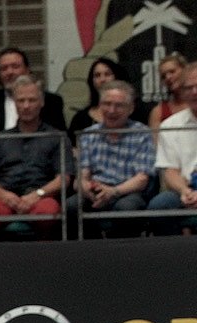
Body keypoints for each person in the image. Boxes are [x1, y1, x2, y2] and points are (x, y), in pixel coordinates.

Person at [0, 76, 66, 237]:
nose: (26, 106)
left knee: (48, 215)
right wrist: (4, 195)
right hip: (5, 196)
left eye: (32, 100)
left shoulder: (57, 138)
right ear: (14, 103)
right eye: (21, 101)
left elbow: (64, 178)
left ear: (42, 102)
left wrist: (38, 194)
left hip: (41, 196)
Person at [67, 81, 154, 239]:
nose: (111, 110)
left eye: (118, 105)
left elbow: (142, 179)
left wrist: (113, 192)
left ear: (130, 109)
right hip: (96, 191)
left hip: (127, 192)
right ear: (100, 106)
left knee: (126, 208)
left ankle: (122, 253)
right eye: (107, 104)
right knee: (72, 206)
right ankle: (88, 249)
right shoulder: (89, 134)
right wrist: (86, 187)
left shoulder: (142, 133)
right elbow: (81, 177)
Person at [0, 47, 67, 155]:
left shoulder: (51, 102)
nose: (9, 72)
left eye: (15, 67)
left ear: (27, 70)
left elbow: (60, 140)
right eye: (4, 68)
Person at [147, 64, 197, 235]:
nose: (194, 92)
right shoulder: (170, 125)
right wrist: (184, 191)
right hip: (185, 187)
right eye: (188, 88)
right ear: (181, 92)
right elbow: (170, 170)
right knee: (158, 206)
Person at [66, 57, 148, 143]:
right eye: (97, 75)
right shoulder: (80, 119)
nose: (102, 79)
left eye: (107, 74)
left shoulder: (137, 114)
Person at [148, 53, 188, 136]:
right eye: (163, 76)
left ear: (185, 70)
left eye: (172, 71)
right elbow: (156, 142)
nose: (168, 77)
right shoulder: (158, 112)